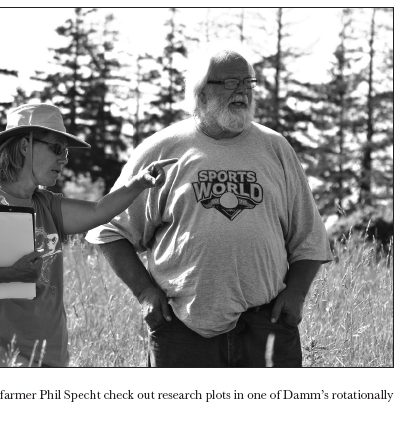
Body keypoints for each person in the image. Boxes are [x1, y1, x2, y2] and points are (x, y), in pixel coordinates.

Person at [85, 49, 333, 367]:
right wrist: (145, 293)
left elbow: (310, 239)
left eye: (248, 82)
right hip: (181, 329)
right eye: (230, 82)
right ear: (202, 92)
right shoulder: (162, 149)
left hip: (266, 325)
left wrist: (296, 294)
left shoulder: (275, 148)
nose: (243, 90)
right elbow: (110, 229)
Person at [0, 103, 176, 367]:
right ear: (25, 145)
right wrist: (10, 274)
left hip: (47, 359)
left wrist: (139, 182)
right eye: (57, 148)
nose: (64, 158)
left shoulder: (46, 204)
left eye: (66, 151)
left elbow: (99, 210)